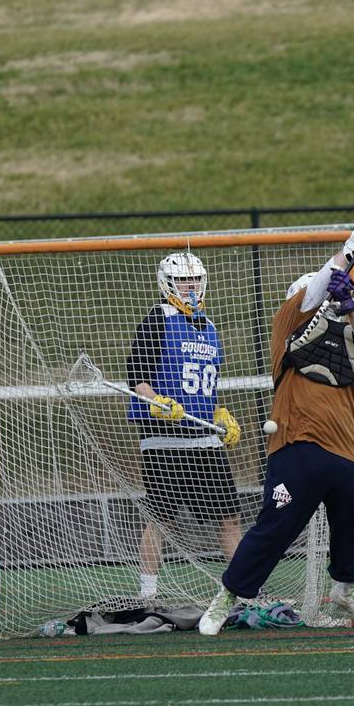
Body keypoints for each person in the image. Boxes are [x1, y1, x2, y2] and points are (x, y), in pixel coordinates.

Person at [198, 215, 354, 635]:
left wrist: (352, 304)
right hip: (296, 444)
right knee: (276, 528)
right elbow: (319, 285)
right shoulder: (289, 322)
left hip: (347, 450)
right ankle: (228, 596)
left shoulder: (350, 337)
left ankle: (348, 590)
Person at [126, 252, 246, 601]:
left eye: (195, 279)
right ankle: (147, 595)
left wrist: (219, 414)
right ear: (168, 283)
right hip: (164, 441)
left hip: (204, 439)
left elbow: (206, 385)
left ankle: (244, 591)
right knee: (159, 520)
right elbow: (136, 375)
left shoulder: (209, 327)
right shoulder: (158, 318)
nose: (190, 286)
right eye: (182, 280)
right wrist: (157, 401)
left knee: (230, 518)